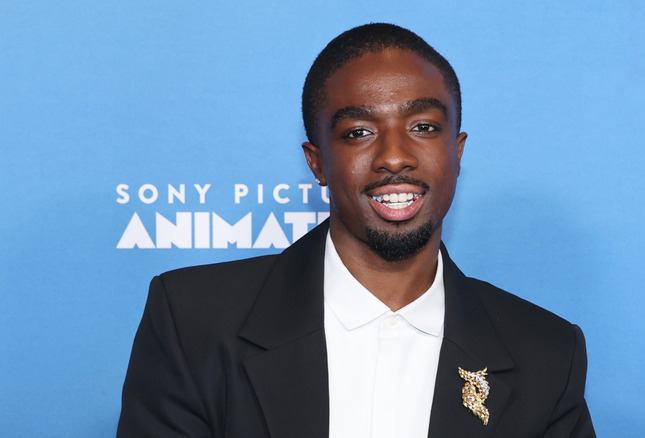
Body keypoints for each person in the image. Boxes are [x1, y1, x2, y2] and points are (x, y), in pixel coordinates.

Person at [117, 23, 596, 438]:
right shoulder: (194, 322)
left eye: (424, 127)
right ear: (318, 162)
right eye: (359, 132)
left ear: (457, 151)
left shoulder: (546, 354)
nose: (394, 156)